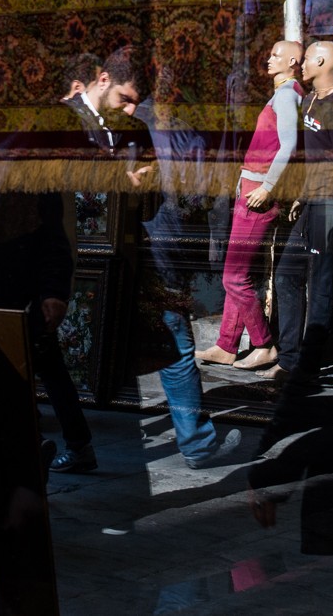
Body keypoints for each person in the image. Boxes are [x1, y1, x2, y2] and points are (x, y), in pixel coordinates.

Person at [88, 47, 243, 469]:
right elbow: (200, 193)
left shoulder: (129, 125)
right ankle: (195, 443)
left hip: (141, 244)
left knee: (148, 339)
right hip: (170, 244)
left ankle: (84, 434)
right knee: (174, 343)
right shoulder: (186, 129)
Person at [196, 40, 304, 371]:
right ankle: (227, 346)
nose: (269, 59)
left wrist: (268, 186)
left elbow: (289, 145)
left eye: (275, 55)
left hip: (260, 190)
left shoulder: (287, 95)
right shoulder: (285, 94)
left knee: (234, 277)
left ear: (293, 61)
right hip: (254, 184)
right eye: (269, 52)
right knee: (237, 274)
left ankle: (263, 343)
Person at [269, 41, 333, 383]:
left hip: (332, 203)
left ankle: (307, 364)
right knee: (286, 275)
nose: (303, 64)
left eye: (307, 57)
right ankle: (290, 356)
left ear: (322, 61)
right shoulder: (310, 100)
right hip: (311, 201)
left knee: (320, 283)